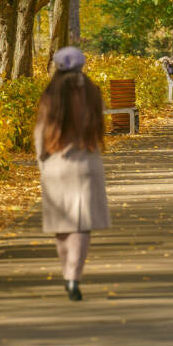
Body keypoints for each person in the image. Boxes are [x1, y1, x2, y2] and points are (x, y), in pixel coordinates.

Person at [35, 46, 110, 301]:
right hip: (86, 163)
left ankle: (66, 271)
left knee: (62, 225)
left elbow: (41, 133)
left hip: (57, 165)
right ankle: (73, 277)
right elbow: (100, 122)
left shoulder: (51, 95)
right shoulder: (92, 92)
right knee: (82, 225)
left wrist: (42, 162)